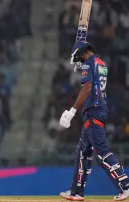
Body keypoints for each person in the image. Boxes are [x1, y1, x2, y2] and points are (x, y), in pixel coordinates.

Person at [59, 41, 129, 201]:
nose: (78, 60)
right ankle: (76, 192)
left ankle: (125, 186)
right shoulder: (101, 63)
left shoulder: (88, 65)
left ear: (82, 53)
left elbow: (87, 89)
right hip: (99, 109)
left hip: (93, 111)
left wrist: (72, 111)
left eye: (78, 56)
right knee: (83, 153)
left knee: (102, 151)